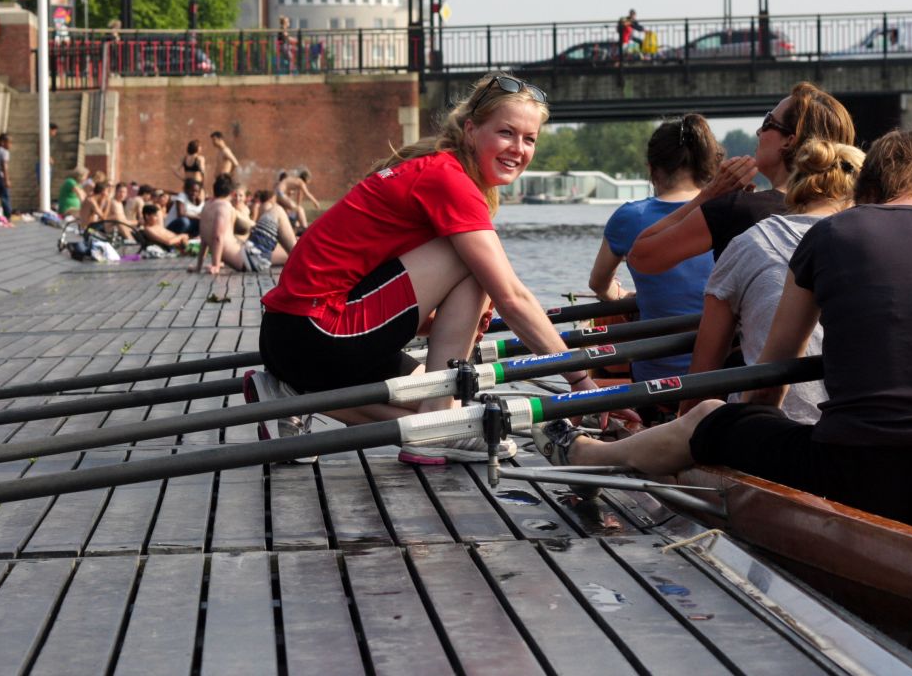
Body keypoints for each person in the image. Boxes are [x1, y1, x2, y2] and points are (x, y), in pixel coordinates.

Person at [536, 129, 912, 529]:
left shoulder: (830, 234)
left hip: (849, 473)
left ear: (868, 188)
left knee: (707, 418)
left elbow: (771, 377)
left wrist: (748, 442)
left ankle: (589, 453)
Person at [248, 73, 633, 465]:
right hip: (316, 333)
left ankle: (298, 394)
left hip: (294, 335)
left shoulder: (435, 168)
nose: (518, 149)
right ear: (471, 131)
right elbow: (513, 298)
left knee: (436, 395)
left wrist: (446, 322)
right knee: (474, 269)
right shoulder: (449, 180)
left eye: (529, 139)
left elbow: (380, 289)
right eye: (506, 133)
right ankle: (437, 423)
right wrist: (580, 379)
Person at [679, 139, 864, 423]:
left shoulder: (749, 242)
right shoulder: (879, 249)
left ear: (797, 188)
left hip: (772, 427)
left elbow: (704, 376)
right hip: (863, 427)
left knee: (702, 415)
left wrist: (683, 427)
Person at [628, 82, 855, 272]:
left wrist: (708, 197)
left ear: (789, 141)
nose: (759, 132)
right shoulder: (853, 214)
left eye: (768, 122)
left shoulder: (739, 209)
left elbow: (640, 257)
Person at [587, 115, 722, 383]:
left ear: (652, 169)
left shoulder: (630, 217)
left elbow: (598, 285)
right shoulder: (731, 209)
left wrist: (622, 295)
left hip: (656, 377)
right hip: (725, 375)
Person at [194, 173, 293, 273]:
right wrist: (216, 265)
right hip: (248, 258)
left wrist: (198, 266)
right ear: (232, 193)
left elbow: (204, 240)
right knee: (277, 210)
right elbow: (217, 237)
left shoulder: (206, 207)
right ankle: (300, 257)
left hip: (247, 255)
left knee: (287, 254)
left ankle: (298, 256)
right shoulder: (224, 206)